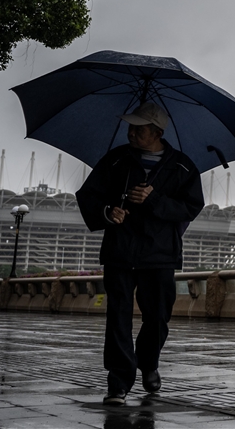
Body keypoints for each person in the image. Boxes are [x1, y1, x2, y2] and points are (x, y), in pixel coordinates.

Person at [75, 102, 204, 406]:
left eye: (140, 129)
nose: (132, 133)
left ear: (158, 132)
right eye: (130, 127)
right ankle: (119, 381)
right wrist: (109, 212)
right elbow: (88, 196)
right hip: (120, 250)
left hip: (160, 254)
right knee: (118, 317)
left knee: (158, 317)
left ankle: (149, 363)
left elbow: (191, 207)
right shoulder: (116, 161)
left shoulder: (183, 166)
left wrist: (154, 198)